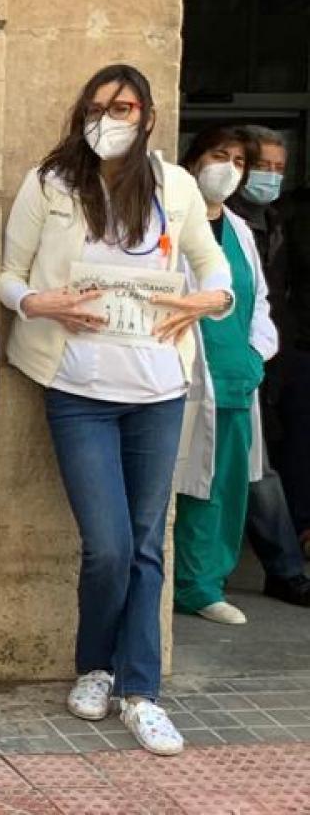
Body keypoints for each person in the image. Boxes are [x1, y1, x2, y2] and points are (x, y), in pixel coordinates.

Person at [0, 64, 233, 756]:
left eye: (124, 106)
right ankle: (94, 664)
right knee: (108, 548)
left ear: (149, 115)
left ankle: (140, 691)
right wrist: (36, 303)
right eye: (99, 106)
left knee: (145, 544)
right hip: (78, 391)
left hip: (158, 390)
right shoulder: (52, 183)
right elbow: (9, 275)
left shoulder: (177, 187)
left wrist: (205, 301)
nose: (111, 118)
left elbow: (214, 271)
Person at [171, 126, 277, 625]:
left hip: (236, 376)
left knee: (229, 486)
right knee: (190, 482)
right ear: (194, 159)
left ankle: (208, 583)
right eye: (219, 155)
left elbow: (259, 300)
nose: (228, 168)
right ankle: (184, 583)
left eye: (238, 161)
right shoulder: (171, 217)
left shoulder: (239, 230)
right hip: (187, 372)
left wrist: (256, 354)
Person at [233, 126, 310, 605]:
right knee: (256, 468)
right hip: (235, 359)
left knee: (265, 460)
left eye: (280, 169)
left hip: (270, 356)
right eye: (263, 166)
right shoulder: (227, 223)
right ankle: (284, 567)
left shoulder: (274, 218)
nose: (271, 177)